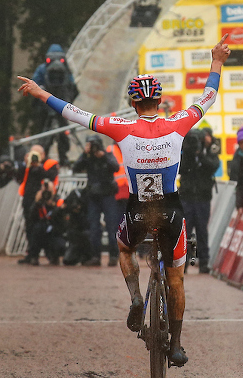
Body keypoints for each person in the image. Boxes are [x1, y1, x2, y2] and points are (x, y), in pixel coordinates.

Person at [16, 34, 231, 367]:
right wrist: (216, 60)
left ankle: (134, 298)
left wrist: (41, 92)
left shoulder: (120, 127)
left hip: (138, 212)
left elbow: (75, 114)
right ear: (159, 102)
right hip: (172, 211)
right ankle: (176, 344)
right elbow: (209, 96)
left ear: (133, 104)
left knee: (125, 248)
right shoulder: (179, 123)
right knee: (176, 278)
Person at [72, 135, 121, 267]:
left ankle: (113, 256)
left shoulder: (107, 155)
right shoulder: (88, 158)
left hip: (108, 194)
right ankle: (95, 256)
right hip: (93, 195)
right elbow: (76, 168)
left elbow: (115, 167)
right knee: (94, 227)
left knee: (111, 226)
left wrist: (103, 156)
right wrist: (84, 153)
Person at [178, 129, 220, 274]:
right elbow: (180, 168)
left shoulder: (209, 151)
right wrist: (189, 153)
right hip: (187, 198)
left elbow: (213, 166)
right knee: (186, 231)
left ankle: (204, 262)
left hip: (202, 197)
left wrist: (200, 154)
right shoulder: (185, 152)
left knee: (202, 231)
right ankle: (183, 263)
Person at [19, 180, 65, 266]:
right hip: (41, 230)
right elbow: (30, 218)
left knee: (58, 242)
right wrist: (37, 203)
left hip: (54, 229)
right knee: (37, 229)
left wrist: (53, 206)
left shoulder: (58, 201)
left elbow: (61, 218)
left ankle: (54, 256)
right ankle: (34, 256)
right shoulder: (39, 202)